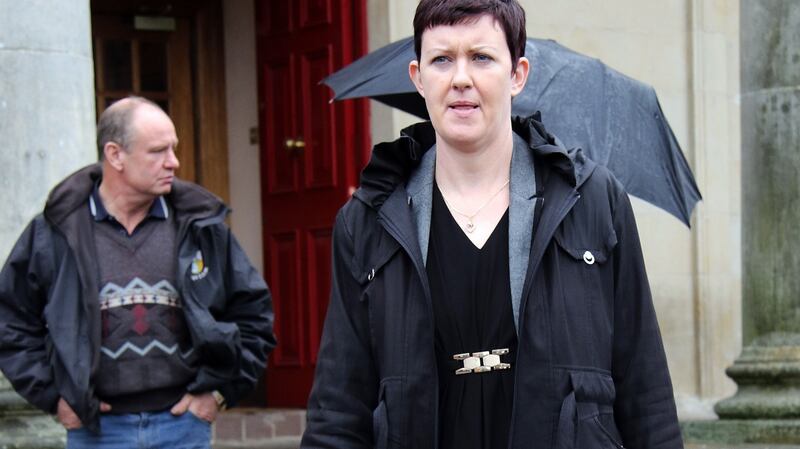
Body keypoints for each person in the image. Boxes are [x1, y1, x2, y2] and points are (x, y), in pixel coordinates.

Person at [301, 0, 683, 448]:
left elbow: (645, 387)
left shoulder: (594, 200)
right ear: (418, 77)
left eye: (481, 57)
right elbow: (339, 407)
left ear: (517, 74)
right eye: (442, 59)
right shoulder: (369, 219)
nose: (461, 78)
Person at [0, 96, 276, 448]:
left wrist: (221, 392)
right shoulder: (55, 232)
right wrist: (53, 397)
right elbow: (10, 321)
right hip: (98, 433)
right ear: (115, 155)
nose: (173, 162)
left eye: (173, 149)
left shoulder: (201, 227)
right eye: (158, 151)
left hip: (182, 428)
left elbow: (254, 314)